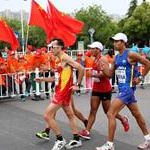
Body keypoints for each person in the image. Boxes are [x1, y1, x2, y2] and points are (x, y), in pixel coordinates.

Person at [96, 33, 150, 150]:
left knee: (110, 113)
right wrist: (103, 68)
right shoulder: (116, 57)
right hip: (123, 90)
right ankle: (148, 139)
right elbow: (110, 74)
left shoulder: (130, 54)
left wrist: (140, 78)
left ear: (124, 42)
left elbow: (147, 63)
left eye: (117, 41)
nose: (115, 43)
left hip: (127, 89)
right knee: (137, 115)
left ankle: (110, 145)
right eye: (114, 41)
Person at [35, 38, 84, 150]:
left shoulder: (65, 58)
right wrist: (42, 79)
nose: (51, 49)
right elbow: (56, 78)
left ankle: (60, 139)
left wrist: (78, 85)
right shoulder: (58, 60)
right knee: (70, 115)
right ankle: (76, 139)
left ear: (59, 47)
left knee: (47, 115)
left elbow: (81, 68)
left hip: (62, 93)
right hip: (60, 91)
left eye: (52, 47)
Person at [79, 42, 129, 140]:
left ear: (98, 49)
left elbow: (107, 74)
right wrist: (93, 74)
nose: (90, 50)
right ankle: (87, 131)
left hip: (105, 89)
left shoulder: (103, 59)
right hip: (96, 88)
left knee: (108, 112)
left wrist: (93, 75)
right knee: (93, 110)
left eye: (92, 48)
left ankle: (123, 119)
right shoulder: (95, 59)